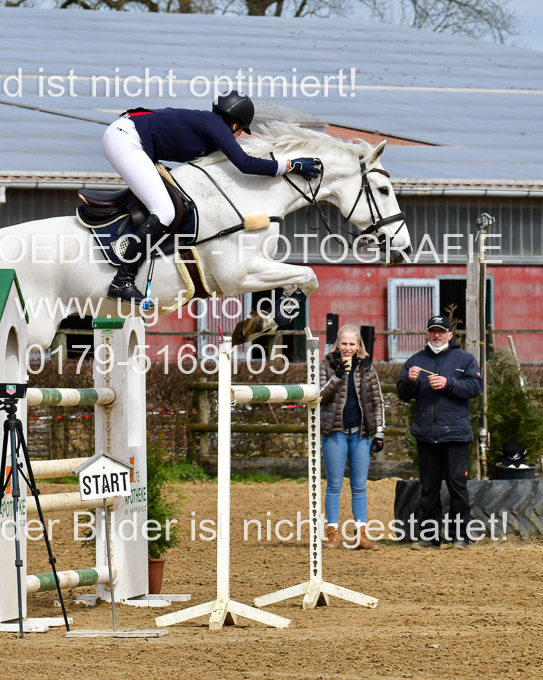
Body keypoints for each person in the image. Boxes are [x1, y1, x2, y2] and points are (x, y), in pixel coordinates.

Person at [101, 90, 323, 303]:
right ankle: (123, 280)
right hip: (127, 140)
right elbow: (245, 164)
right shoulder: (216, 125)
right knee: (165, 211)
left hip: (128, 137)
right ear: (235, 124)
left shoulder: (209, 125)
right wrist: (290, 165)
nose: (235, 137)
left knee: (167, 202)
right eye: (239, 132)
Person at [396, 315, 484, 550]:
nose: (437, 335)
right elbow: (403, 394)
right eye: (433, 331)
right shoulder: (415, 360)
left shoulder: (464, 359)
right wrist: (411, 381)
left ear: (450, 335)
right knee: (429, 487)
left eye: (441, 331)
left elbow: (476, 387)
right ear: (427, 334)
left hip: (455, 434)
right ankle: (430, 537)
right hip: (426, 434)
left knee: (457, 486)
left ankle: (460, 537)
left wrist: (449, 384)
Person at [320, 324, 385, 550]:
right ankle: (332, 533)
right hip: (334, 432)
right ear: (338, 343)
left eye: (352, 344)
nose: (348, 348)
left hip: (361, 433)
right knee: (334, 485)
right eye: (344, 343)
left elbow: (377, 402)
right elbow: (320, 397)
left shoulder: (367, 368)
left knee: (359, 486)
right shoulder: (326, 365)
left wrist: (379, 432)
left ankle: (361, 534)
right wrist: (338, 375)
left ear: (359, 346)